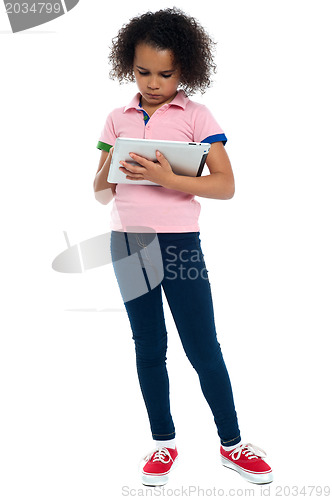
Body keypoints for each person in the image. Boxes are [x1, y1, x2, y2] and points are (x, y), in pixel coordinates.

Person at [93, 7, 273, 487]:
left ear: (185, 70)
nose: (154, 83)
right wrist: (108, 171)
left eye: (166, 74)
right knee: (148, 345)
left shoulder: (197, 115)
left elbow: (226, 185)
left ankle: (232, 444)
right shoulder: (116, 117)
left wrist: (165, 176)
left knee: (202, 345)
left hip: (179, 247)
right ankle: (163, 443)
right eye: (143, 72)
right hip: (127, 243)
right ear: (128, 66)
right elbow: (97, 190)